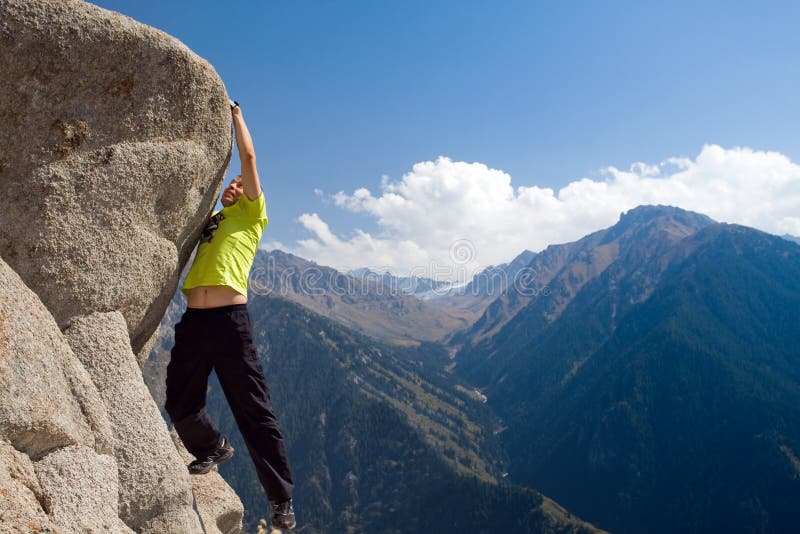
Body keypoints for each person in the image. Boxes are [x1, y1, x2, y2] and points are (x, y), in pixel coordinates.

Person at [164, 102, 296, 530]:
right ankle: (212, 446)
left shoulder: (252, 216)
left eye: (241, 184)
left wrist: (236, 117)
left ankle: (281, 501)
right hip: (194, 322)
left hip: (230, 322)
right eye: (231, 184)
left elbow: (250, 158)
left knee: (254, 411)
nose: (235, 186)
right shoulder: (216, 220)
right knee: (178, 399)